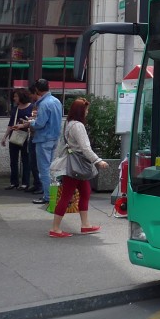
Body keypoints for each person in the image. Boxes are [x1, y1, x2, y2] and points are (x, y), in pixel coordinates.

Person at [47, 98, 108, 237]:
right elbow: (85, 147)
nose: (87, 112)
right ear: (81, 111)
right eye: (86, 110)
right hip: (76, 165)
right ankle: (55, 228)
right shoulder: (78, 126)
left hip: (73, 164)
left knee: (85, 191)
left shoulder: (68, 123)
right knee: (67, 196)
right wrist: (98, 161)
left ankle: (85, 225)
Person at [22, 78, 62, 205]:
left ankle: (48, 196)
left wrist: (30, 122)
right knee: (49, 168)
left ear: (38, 90)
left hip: (44, 138)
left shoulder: (44, 104)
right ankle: (51, 194)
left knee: (43, 169)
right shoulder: (56, 101)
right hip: (54, 137)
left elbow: (39, 124)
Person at [1, 87, 36, 191]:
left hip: (25, 136)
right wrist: (5, 137)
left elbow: (33, 122)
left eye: (16, 96)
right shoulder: (15, 108)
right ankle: (14, 182)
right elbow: (10, 124)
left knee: (25, 160)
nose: (14, 98)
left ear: (21, 96)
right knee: (13, 160)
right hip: (14, 135)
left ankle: (25, 183)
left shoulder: (32, 108)